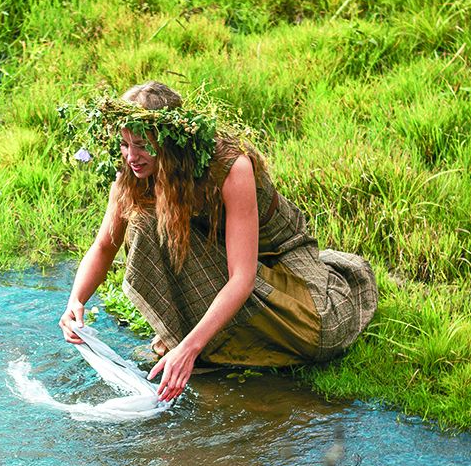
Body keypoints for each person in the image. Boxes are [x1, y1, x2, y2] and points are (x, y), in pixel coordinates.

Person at [58, 81, 377, 403]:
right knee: (143, 220)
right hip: (216, 252)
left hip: (276, 251)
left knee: (321, 335)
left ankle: (195, 341)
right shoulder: (133, 170)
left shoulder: (229, 166)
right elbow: (104, 246)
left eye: (141, 144)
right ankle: (186, 335)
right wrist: (76, 301)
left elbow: (242, 277)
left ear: (169, 140)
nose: (131, 156)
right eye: (125, 144)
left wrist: (189, 350)